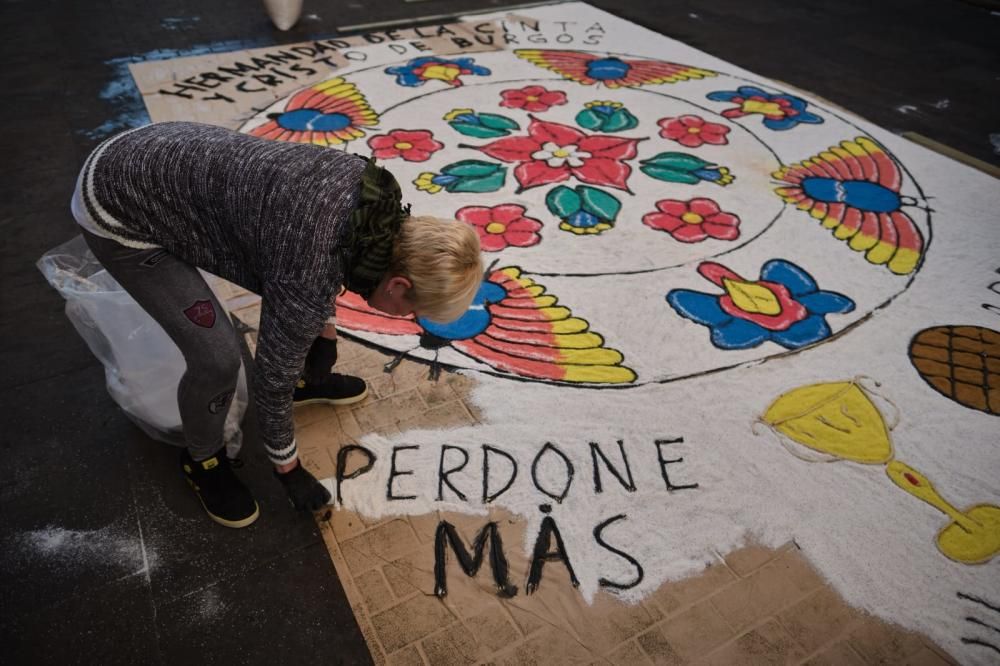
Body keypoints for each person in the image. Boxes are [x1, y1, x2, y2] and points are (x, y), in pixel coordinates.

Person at [71, 121, 482, 528]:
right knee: (216, 358)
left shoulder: (373, 198)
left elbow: (321, 251)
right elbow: (271, 377)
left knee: (289, 328)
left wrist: (325, 335)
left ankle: (309, 383)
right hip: (116, 207)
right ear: (398, 285)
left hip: (157, 148)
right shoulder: (311, 270)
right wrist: (288, 469)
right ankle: (203, 459)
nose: (409, 319)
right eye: (413, 311)